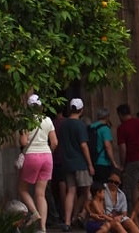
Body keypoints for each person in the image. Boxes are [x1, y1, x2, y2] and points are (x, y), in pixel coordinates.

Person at [17, 94, 58, 233]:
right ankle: (43, 228)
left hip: (31, 156)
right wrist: (47, 150)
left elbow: (23, 142)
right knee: (41, 194)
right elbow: (54, 142)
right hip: (47, 156)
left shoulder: (25, 121)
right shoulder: (47, 119)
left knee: (23, 189)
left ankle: (35, 213)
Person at [57, 98, 94, 230]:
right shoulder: (80, 125)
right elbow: (84, 145)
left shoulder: (63, 125)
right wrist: (90, 164)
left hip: (67, 162)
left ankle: (68, 221)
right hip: (80, 163)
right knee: (87, 192)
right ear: (81, 110)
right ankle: (81, 215)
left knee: (71, 191)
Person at [115, 105, 139, 208]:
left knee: (134, 187)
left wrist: (122, 164)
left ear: (120, 114)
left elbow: (122, 148)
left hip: (132, 160)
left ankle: (134, 212)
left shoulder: (122, 128)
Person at [88, 109, 119, 183]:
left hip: (93, 160)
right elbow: (108, 146)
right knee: (104, 185)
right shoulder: (105, 129)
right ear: (107, 117)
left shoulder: (91, 127)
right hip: (103, 161)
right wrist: (113, 162)